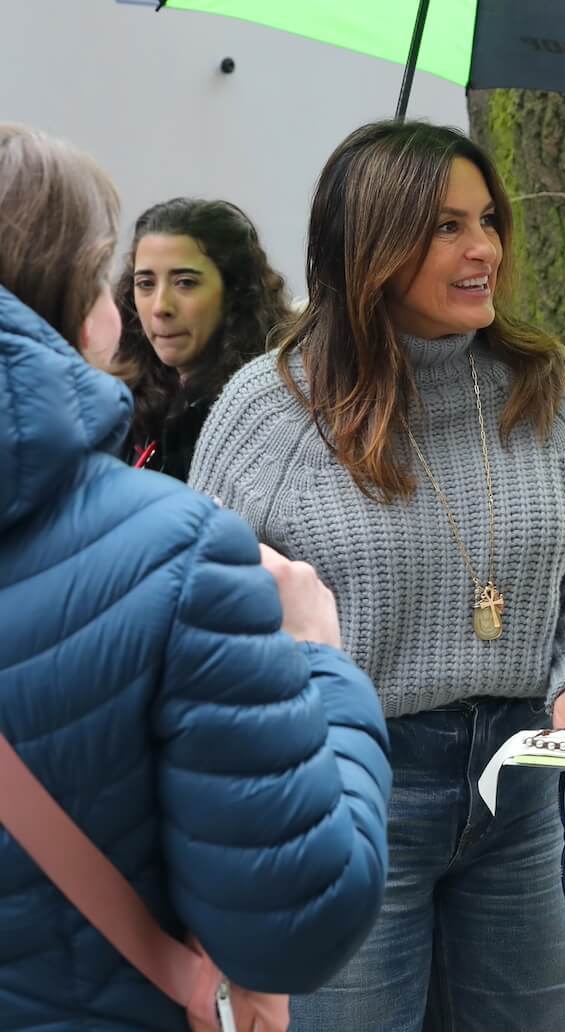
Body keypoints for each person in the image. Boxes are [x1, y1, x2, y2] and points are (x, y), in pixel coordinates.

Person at [189, 120, 565, 1031]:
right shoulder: (274, 407)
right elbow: (199, 625)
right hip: (348, 796)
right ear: (370, 244)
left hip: (523, 791)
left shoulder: (544, 384)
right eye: (444, 226)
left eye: (487, 220)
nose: (484, 249)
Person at [0, 123, 391, 1029]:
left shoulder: (277, 404)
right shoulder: (175, 543)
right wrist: (321, 660)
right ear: (84, 299)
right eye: (130, 278)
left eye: (184, 281)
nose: (152, 305)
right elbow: (295, 916)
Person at [113, 197, 291, 480]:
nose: (160, 307)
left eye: (185, 282)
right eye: (145, 284)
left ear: (235, 292)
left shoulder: (270, 412)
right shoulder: (125, 402)